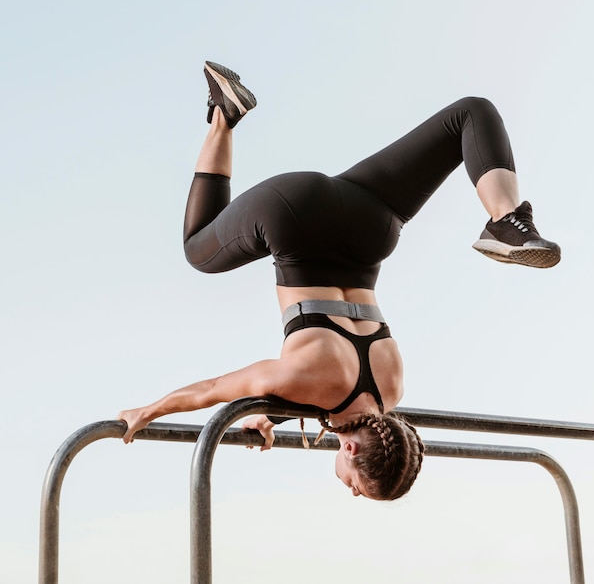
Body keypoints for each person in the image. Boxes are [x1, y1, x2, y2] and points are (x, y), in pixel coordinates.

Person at [117, 61, 560, 501]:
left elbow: (334, 384)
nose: (351, 492)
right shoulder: (305, 382)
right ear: (349, 448)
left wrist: (274, 415)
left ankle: (506, 219)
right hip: (294, 214)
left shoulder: (392, 385)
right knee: (198, 249)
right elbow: (213, 390)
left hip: (370, 222)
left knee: (470, 112)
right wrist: (149, 411)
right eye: (357, 487)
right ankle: (223, 117)